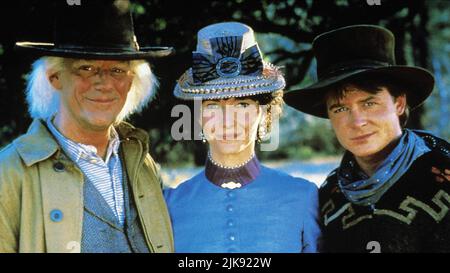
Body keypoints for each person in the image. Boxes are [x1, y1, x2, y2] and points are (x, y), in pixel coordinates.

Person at [0, 0, 174, 253]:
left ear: (132, 82)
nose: (103, 83)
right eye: (86, 68)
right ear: (55, 77)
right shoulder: (9, 172)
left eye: (117, 69)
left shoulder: (143, 165)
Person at [285, 25, 450, 252]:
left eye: (369, 103)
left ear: (399, 103)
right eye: (340, 109)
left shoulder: (444, 175)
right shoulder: (329, 196)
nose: (357, 121)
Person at [164, 22, 321, 253]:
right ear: (197, 116)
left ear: (264, 113)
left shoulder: (303, 197)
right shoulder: (170, 204)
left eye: (243, 104)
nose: (228, 120)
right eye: (213, 106)